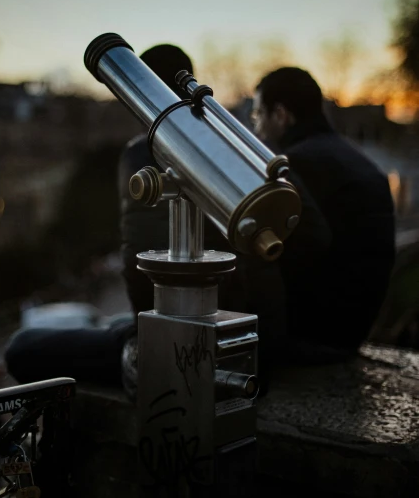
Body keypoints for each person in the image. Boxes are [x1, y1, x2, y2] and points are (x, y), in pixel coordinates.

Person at [118, 45, 334, 376]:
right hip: (262, 332)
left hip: (190, 340)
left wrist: (144, 345)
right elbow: (312, 237)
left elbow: (140, 261)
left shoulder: (143, 152)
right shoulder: (242, 143)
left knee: (28, 348)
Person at [252, 67, 395, 353]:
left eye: (258, 115)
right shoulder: (354, 158)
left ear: (280, 114)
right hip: (351, 330)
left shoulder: (293, 166)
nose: (256, 128)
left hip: (310, 335)